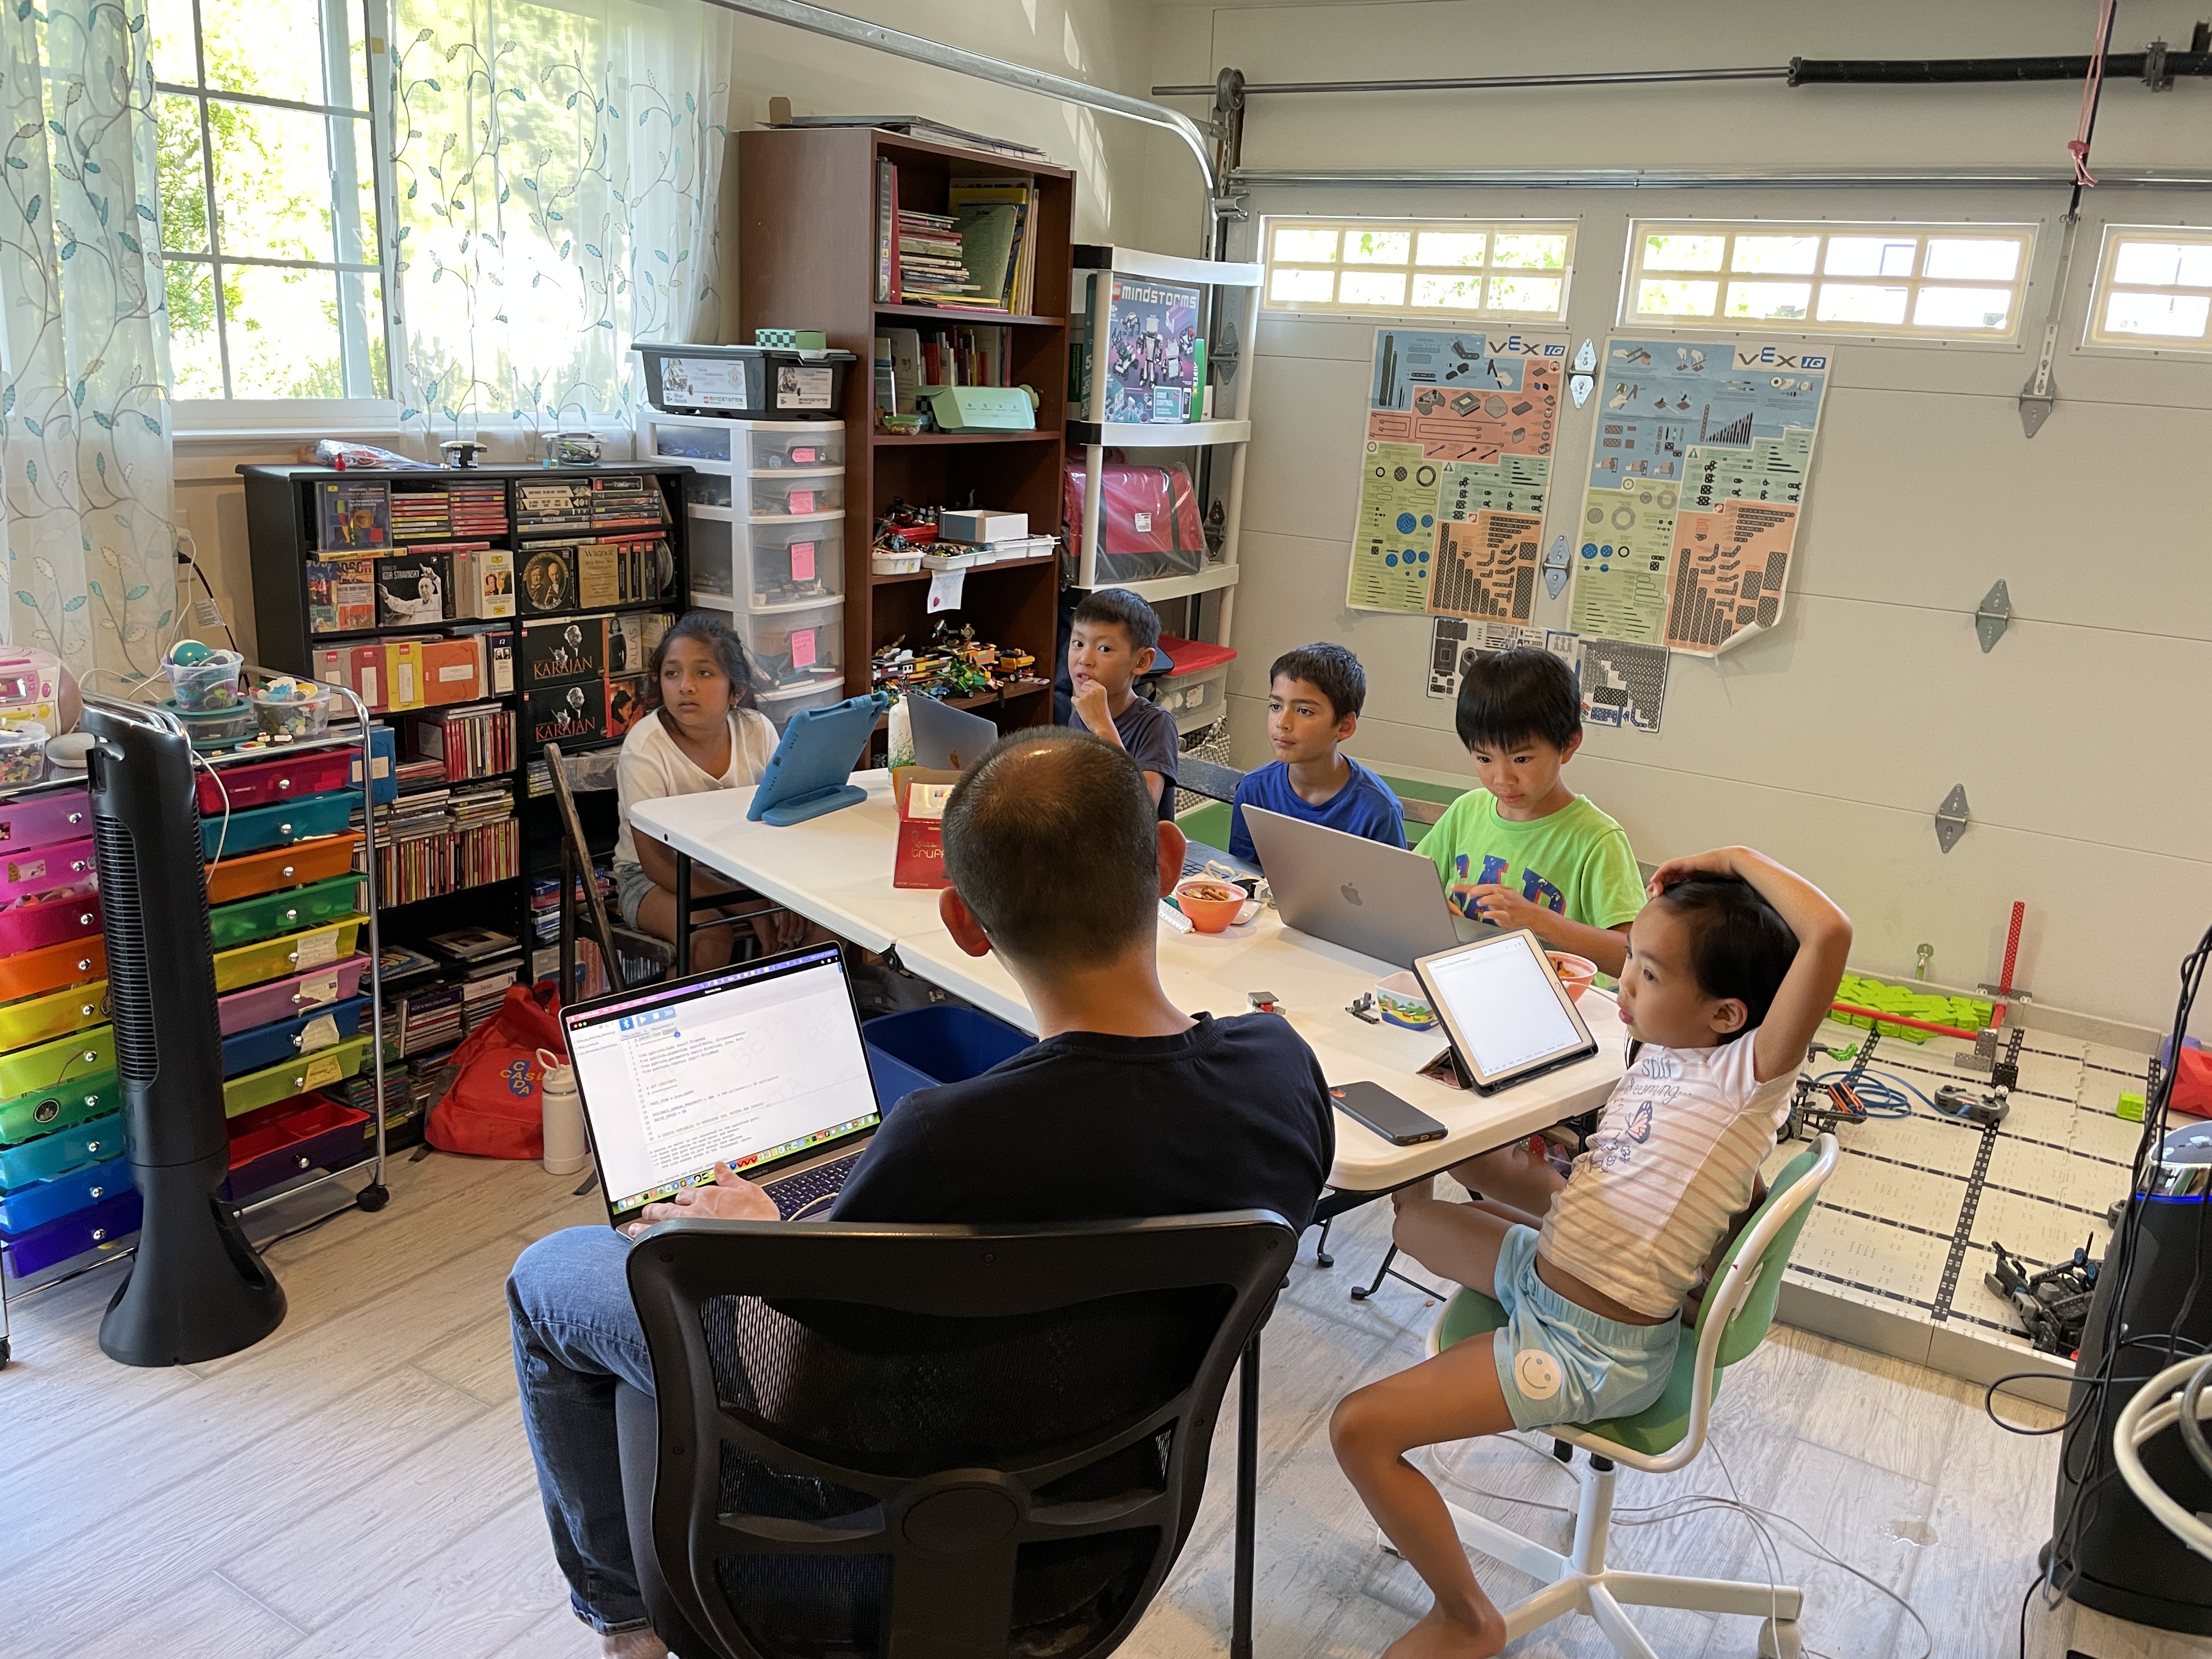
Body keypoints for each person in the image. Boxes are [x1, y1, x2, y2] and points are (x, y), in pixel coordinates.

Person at [509, 726, 1335, 1657]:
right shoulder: (1282, 1073)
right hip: (1096, 1544)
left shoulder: (946, 1138)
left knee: (555, 1273)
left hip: (877, 1547)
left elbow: (788, 1392)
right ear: (1169, 863)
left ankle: (627, 1628)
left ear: (962, 922)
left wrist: (765, 1238)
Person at [1328, 847, 1851, 1659]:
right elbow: (1686, 1174)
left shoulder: (1746, 1079)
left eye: (1648, 973)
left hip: (1590, 1346)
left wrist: (1733, 859)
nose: (1624, 983)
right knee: (1417, 1219)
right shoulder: (1668, 1050)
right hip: (1549, 1270)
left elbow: (1830, 934)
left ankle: (1467, 1618)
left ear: (1726, 1014)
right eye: (1630, 960)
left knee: (1358, 1428)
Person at [1424, 648, 1643, 979]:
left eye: (1522, 759)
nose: (1502, 779)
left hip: (1558, 999)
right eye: (1484, 759)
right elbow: (1412, 886)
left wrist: (1540, 920)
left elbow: (1634, 959)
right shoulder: (1466, 812)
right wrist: (1431, 909)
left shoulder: (1597, 840)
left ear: (1569, 744)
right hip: (1469, 983)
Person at [610, 611, 811, 970]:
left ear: (737, 691)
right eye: (672, 673)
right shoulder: (646, 748)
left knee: (825, 922)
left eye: (703, 673)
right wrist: (751, 905)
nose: (685, 686)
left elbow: (784, 826)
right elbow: (656, 863)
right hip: (653, 878)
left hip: (742, 870)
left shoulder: (757, 730)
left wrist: (783, 896)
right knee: (709, 937)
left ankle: (782, 1001)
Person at [1227, 642, 1406, 869]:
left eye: (1304, 711)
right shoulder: (1254, 789)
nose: (1282, 723)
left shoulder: (1379, 810)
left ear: (1344, 727)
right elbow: (1242, 878)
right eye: (1276, 706)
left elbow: (1392, 889)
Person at [1063, 586, 1180, 819]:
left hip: (1137, 843)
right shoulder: (1079, 718)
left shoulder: (1156, 724)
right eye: (1078, 643)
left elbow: (1142, 811)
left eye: (1104, 649)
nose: (1085, 659)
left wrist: (1102, 726)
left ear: (1142, 661)